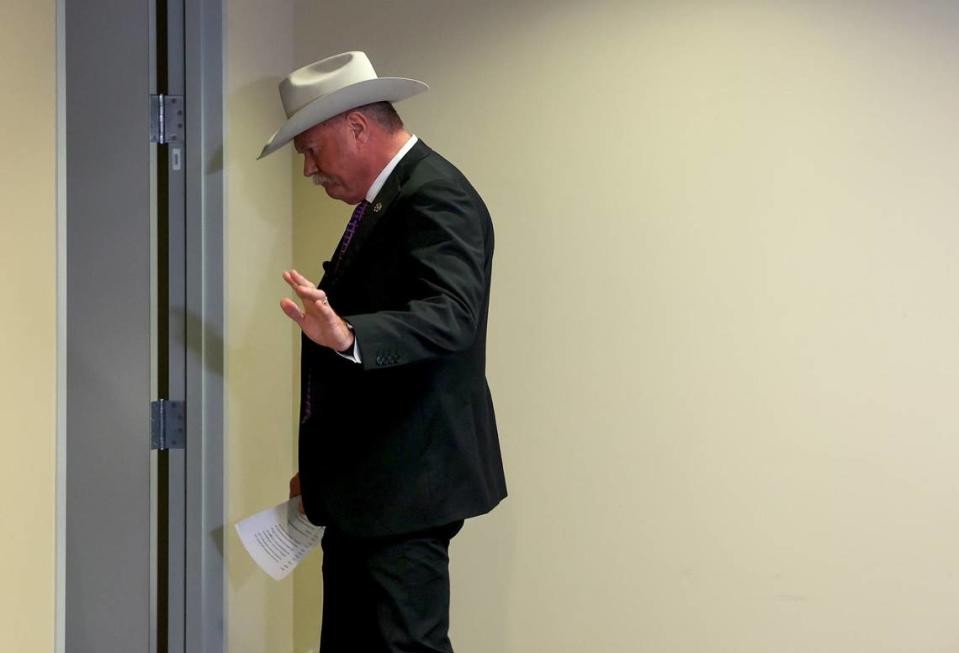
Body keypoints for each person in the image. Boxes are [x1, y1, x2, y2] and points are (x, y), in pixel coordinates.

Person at [258, 51, 507, 653]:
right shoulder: (390, 197)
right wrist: (323, 474)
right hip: (365, 490)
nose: (310, 172)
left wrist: (348, 335)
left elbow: (453, 315)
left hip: (406, 491)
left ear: (357, 126)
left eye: (312, 152)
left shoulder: (434, 195)